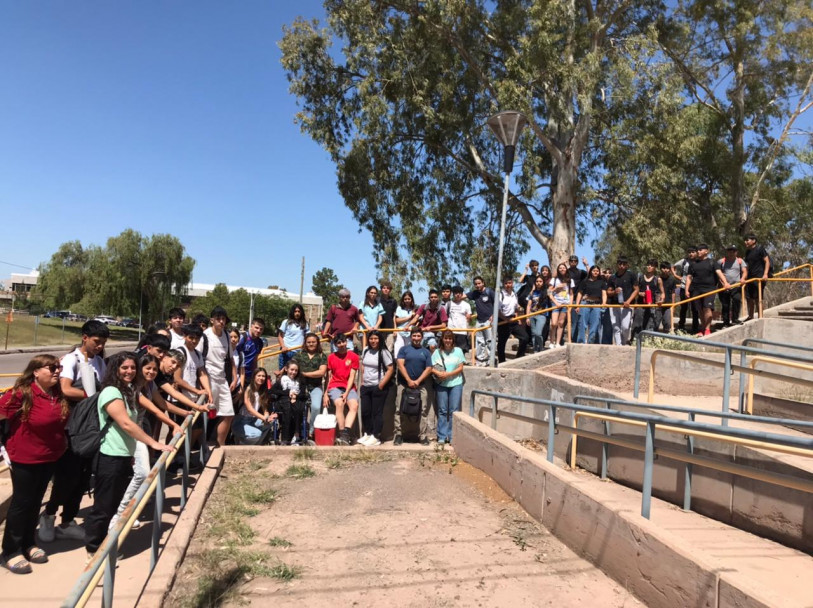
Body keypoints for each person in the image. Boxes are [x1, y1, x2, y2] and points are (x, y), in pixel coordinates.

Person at [84, 352, 172, 561]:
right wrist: (153, 442)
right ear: (115, 369)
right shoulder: (111, 392)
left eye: (132, 368)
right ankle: (94, 550)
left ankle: (106, 543)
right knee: (104, 506)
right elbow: (125, 423)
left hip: (123, 455)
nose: (129, 371)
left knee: (113, 504)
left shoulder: (128, 390)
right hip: (109, 456)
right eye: (124, 368)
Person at [39, 320, 109, 544]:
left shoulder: (99, 361)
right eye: (96, 342)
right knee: (67, 477)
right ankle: (48, 515)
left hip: (91, 427)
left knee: (82, 478)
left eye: (103, 343)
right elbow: (66, 388)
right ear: (84, 337)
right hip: (73, 427)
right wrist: (92, 397)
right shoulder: (72, 360)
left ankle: (68, 521)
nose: (99, 346)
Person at [0, 355, 69, 574]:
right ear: (36, 371)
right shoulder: (21, 394)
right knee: (22, 503)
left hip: (49, 457)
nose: (57, 371)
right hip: (24, 457)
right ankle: (10, 551)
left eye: (58, 367)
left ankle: (29, 543)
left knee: (36, 500)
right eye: (51, 368)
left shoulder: (56, 394)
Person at [109, 355, 181, 531]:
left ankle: (122, 513)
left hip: (136, 435)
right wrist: (155, 442)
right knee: (121, 477)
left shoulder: (139, 388)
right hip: (119, 437)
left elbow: (157, 409)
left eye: (155, 369)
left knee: (142, 474)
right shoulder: (121, 389)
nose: (151, 372)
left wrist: (174, 424)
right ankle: (117, 516)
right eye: (147, 368)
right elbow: (128, 421)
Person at [198, 307, 235, 447]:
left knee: (228, 414)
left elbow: (230, 359)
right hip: (209, 379)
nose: (221, 321)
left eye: (223, 319)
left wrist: (235, 377)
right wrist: (203, 385)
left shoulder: (226, 335)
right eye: (218, 319)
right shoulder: (205, 336)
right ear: (212, 320)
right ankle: (201, 447)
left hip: (222, 379)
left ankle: (220, 445)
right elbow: (199, 361)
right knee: (206, 416)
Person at [394, 327, 434, 446]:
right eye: (414, 336)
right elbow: (400, 364)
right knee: (398, 410)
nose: (416, 338)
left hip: (421, 386)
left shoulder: (426, 352)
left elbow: (429, 368)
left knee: (423, 411)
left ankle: (422, 436)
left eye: (418, 336)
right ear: (411, 337)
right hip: (404, 385)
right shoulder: (404, 349)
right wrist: (409, 380)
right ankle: (399, 434)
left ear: (422, 338)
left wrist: (417, 381)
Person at [323, 333, 360, 445]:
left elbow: (352, 376)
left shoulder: (353, 356)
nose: (342, 344)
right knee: (339, 403)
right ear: (335, 345)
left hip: (348, 386)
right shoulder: (331, 357)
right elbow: (329, 377)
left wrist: (347, 393)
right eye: (339, 343)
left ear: (347, 342)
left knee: (354, 405)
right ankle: (343, 433)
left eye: (343, 342)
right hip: (334, 386)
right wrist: (325, 394)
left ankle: (346, 434)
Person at [358, 330, 394, 446]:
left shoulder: (383, 352)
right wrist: (362, 381)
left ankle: (376, 435)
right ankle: (368, 433)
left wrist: (381, 384)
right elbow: (363, 365)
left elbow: (390, 369)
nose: (373, 341)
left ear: (380, 339)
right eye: (371, 339)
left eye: (376, 339)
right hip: (366, 386)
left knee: (376, 413)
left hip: (378, 386)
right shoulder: (366, 350)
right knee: (365, 412)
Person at [431, 330, 465, 444]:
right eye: (446, 338)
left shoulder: (458, 351)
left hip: (455, 383)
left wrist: (448, 374)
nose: (448, 341)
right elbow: (431, 367)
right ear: (442, 339)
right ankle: (441, 435)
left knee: (453, 411)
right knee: (442, 410)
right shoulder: (436, 352)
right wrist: (438, 373)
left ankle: (451, 436)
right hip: (441, 385)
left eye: (450, 338)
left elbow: (460, 368)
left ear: (453, 340)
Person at [292, 332, 328, 434]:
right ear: (305, 343)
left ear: (317, 343)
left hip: (315, 386)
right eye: (309, 342)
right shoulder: (299, 355)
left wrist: (304, 374)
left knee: (316, 407)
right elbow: (291, 367)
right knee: (298, 408)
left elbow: (321, 372)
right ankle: (298, 431)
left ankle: (312, 431)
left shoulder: (321, 356)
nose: (311, 344)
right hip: (300, 386)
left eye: (313, 342)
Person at [232, 368, 277, 445]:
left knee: (269, 424)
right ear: (254, 377)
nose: (261, 378)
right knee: (257, 434)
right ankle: (241, 443)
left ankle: (254, 446)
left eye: (263, 376)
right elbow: (250, 409)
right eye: (259, 375)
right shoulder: (248, 389)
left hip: (253, 420)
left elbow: (265, 409)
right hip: (241, 421)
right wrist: (264, 418)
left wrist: (268, 417)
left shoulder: (262, 392)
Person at [685, 243, 718, 337]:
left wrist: (725, 283)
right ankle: (703, 328)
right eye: (697, 250)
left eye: (700, 250)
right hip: (696, 290)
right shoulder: (693, 264)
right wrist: (687, 290)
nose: (698, 251)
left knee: (707, 308)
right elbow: (689, 277)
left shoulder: (712, 262)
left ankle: (707, 329)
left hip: (709, 289)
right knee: (700, 310)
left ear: (706, 251)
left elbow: (719, 274)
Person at [271, 361, 306, 444]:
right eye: (292, 369)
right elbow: (272, 391)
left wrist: (295, 396)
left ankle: (297, 433)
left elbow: (303, 394)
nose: (293, 372)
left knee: (297, 407)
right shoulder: (281, 380)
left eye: (296, 370)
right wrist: (288, 392)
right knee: (287, 407)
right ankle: (285, 437)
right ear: (286, 369)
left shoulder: (300, 381)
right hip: (283, 401)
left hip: (296, 400)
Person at [606, 257, 639, 346]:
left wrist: (628, 301)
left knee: (625, 327)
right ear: (617, 265)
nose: (622, 266)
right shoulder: (612, 277)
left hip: (626, 306)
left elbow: (636, 290)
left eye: (624, 264)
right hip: (614, 305)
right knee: (616, 327)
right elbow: (608, 292)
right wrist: (614, 292)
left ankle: (624, 343)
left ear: (627, 265)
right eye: (620, 264)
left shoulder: (631, 275)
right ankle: (619, 346)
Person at [497, 277, 529, 361]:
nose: (508, 285)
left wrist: (518, 316)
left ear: (512, 284)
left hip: (512, 320)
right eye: (506, 283)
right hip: (503, 321)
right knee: (501, 343)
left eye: (510, 283)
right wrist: (505, 319)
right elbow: (498, 311)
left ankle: (519, 357)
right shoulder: (500, 295)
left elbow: (515, 307)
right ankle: (502, 361)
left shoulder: (514, 294)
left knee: (525, 337)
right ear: (503, 284)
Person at [632, 259, 664, 341]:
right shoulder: (640, 277)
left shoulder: (658, 280)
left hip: (651, 306)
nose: (649, 267)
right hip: (640, 305)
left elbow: (662, 293)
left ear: (655, 268)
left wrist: (661, 300)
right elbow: (635, 290)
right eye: (648, 265)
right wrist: (639, 293)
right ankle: (635, 341)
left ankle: (647, 343)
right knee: (637, 324)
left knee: (649, 325)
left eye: (652, 265)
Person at [466, 277, 495, 366]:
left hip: (488, 320)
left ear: (483, 283)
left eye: (479, 283)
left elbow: (496, 303)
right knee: (479, 341)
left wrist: (493, 315)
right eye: (476, 284)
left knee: (490, 340)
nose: (477, 285)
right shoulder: (475, 293)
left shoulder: (489, 291)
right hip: (479, 320)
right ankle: (480, 359)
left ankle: (491, 359)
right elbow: (462, 296)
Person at [575, 266, 607, 344]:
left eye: (597, 271)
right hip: (585, 304)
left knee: (594, 326)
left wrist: (603, 303)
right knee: (582, 325)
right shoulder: (585, 281)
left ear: (599, 272)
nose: (595, 272)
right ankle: (581, 342)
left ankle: (591, 343)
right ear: (590, 272)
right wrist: (577, 305)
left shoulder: (602, 282)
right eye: (593, 271)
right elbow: (579, 293)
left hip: (596, 305)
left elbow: (604, 294)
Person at [718, 245, 748, 326]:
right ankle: (726, 322)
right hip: (724, 287)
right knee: (725, 305)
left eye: (733, 251)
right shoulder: (721, 261)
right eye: (729, 251)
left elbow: (744, 271)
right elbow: (718, 273)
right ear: (727, 252)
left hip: (736, 286)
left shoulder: (740, 261)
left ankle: (735, 319)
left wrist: (743, 278)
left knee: (737, 301)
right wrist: (723, 283)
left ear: (736, 252)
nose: (731, 253)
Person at [744, 233, 771, 320]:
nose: (745, 242)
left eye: (747, 240)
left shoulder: (760, 249)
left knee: (758, 298)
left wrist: (765, 274)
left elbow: (767, 261)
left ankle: (760, 316)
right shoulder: (747, 252)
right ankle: (750, 316)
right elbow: (747, 265)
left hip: (759, 277)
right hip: (750, 277)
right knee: (749, 298)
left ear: (754, 241)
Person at [673, 247, 699, 333]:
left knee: (695, 308)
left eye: (693, 252)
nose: (691, 254)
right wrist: (676, 276)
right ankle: (681, 326)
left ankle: (695, 327)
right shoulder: (684, 261)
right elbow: (673, 267)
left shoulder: (699, 261)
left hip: (695, 288)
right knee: (683, 307)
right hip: (684, 287)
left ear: (696, 253)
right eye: (689, 252)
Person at [548, 264, 572, 349]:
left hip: (565, 303)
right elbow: (549, 292)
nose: (562, 269)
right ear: (558, 270)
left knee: (561, 323)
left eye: (564, 268)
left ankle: (557, 342)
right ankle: (551, 341)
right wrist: (556, 288)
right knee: (554, 323)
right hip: (556, 303)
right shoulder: (554, 280)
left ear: (566, 269)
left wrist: (570, 304)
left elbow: (571, 294)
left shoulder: (570, 280)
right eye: (560, 268)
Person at [277, 304, 309, 369]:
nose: (297, 313)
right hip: (286, 351)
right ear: (292, 312)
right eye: (295, 311)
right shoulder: (286, 322)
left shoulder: (305, 324)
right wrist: (283, 346)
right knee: (283, 373)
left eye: (299, 311)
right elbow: (280, 336)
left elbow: (308, 336)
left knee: (296, 374)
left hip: (299, 352)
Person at [236, 317, 265, 382]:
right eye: (256, 328)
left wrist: (255, 374)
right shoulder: (242, 338)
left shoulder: (260, 342)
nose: (258, 331)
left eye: (261, 329)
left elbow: (255, 360)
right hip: (238, 374)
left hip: (250, 375)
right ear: (251, 326)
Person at [567, 255, 589, 342]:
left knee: (578, 322)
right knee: (566, 322)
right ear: (569, 262)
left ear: (577, 262)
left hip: (578, 299)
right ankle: (565, 340)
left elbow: (591, 274)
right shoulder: (566, 272)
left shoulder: (580, 272)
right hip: (566, 299)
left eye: (575, 261)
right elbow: (555, 275)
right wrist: (562, 264)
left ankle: (576, 340)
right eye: (571, 261)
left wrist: (586, 264)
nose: (573, 262)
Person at [526, 274, 550, 352]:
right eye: (537, 281)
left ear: (543, 282)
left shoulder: (546, 292)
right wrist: (527, 317)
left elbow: (552, 297)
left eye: (540, 281)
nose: (538, 283)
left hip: (542, 315)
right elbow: (529, 305)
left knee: (538, 333)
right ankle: (535, 350)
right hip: (532, 314)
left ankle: (541, 348)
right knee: (533, 334)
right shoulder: (532, 293)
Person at [446, 286, 472, 352]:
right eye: (456, 293)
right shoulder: (448, 304)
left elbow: (470, 320)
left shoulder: (467, 305)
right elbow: (445, 317)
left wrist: (469, 318)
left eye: (460, 293)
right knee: (451, 350)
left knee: (462, 351)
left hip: (462, 331)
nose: (458, 294)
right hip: (451, 331)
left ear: (462, 294)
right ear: (453, 294)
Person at [393, 291, 418, 359]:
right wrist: (409, 317)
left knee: (409, 353)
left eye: (408, 299)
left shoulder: (414, 309)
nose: (407, 301)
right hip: (400, 332)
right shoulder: (399, 308)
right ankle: (398, 369)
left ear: (411, 299)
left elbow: (416, 321)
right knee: (398, 353)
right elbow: (397, 320)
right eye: (405, 299)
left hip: (410, 333)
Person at [655, 262, 678, 333]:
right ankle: (652, 339)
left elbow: (673, 293)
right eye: (663, 268)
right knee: (655, 323)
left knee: (668, 324)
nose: (665, 270)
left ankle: (666, 339)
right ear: (660, 269)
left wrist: (673, 305)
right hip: (657, 305)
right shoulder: (656, 279)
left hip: (668, 305)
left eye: (667, 268)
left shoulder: (672, 279)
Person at [377, 280, 398, 351]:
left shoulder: (393, 301)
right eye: (384, 288)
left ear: (390, 290)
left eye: (388, 288)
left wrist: (395, 329)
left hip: (390, 329)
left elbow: (394, 316)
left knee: (389, 350)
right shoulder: (377, 300)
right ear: (381, 289)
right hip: (379, 329)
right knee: (380, 349)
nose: (386, 290)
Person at [228, 327, 246, 405]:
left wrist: (241, 388)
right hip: (225, 387)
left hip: (236, 387)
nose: (233, 339)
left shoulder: (240, 354)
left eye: (235, 337)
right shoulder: (223, 353)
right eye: (230, 337)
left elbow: (242, 373)